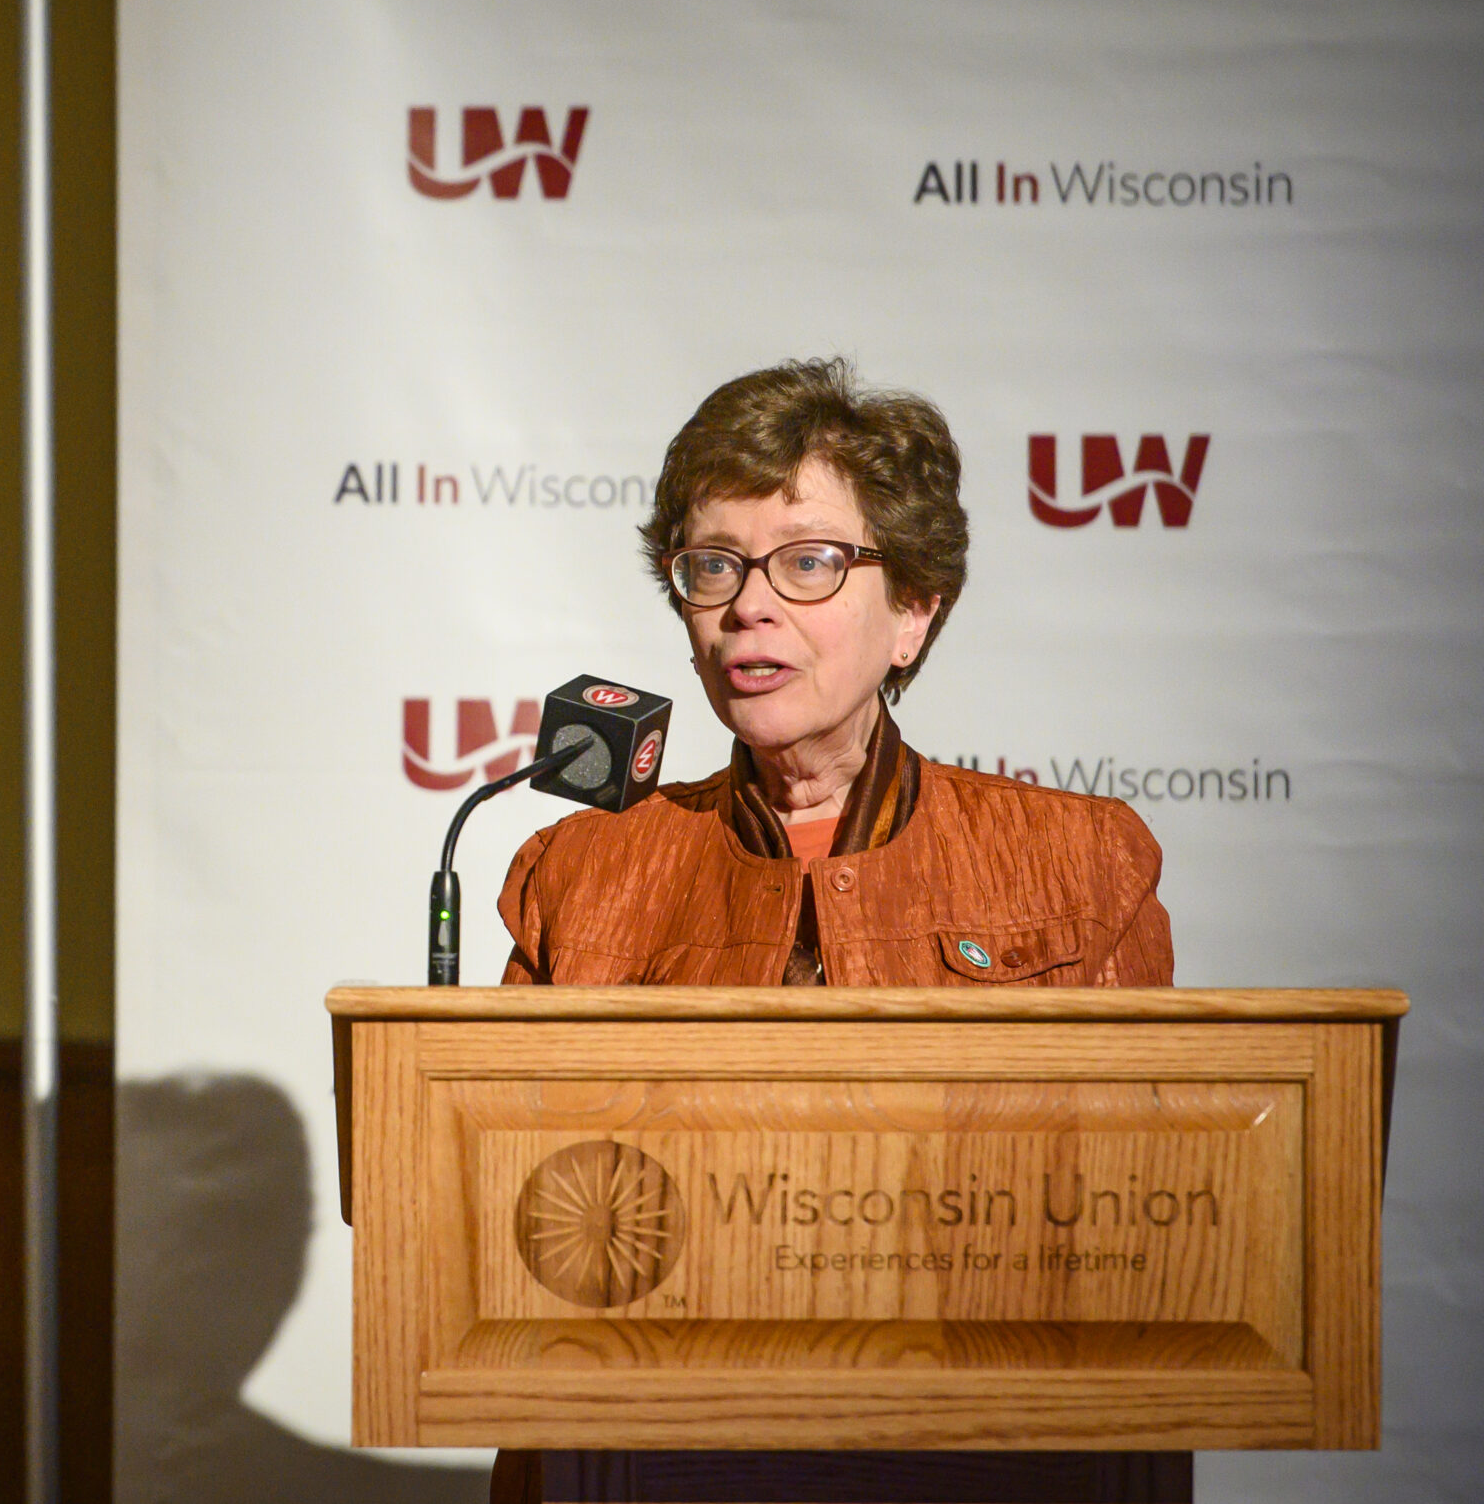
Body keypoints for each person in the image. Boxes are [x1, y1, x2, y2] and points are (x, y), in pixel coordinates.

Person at [488, 358, 1170, 1503]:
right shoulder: (580, 868)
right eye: (713, 564)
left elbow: (1149, 1213)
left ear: (913, 609)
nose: (749, 603)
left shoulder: (1079, 858)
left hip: (986, 1450)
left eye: (808, 561)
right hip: (655, 1447)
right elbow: (503, 1213)